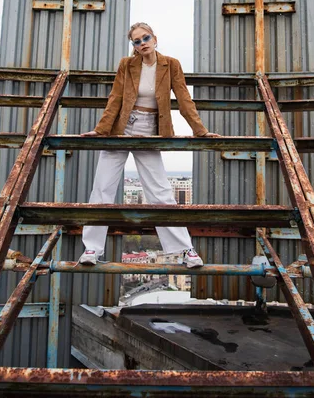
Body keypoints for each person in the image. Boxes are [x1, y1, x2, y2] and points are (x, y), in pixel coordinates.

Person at [79, 22, 220, 268]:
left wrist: (201, 131)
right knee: (102, 188)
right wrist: (101, 130)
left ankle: (185, 250)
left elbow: (184, 99)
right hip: (121, 129)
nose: (142, 43)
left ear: (155, 39)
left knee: (160, 191)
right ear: (133, 46)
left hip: (149, 129)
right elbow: (116, 99)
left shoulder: (171, 64)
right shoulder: (127, 65)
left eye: (146, 38)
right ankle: (91, 249)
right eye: (137, 41)